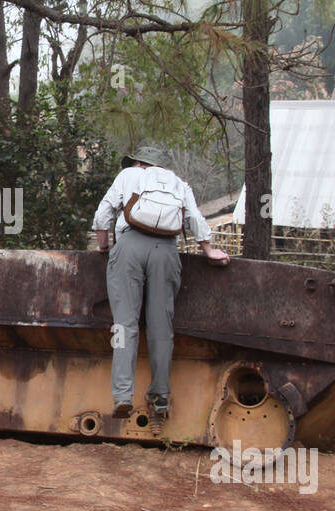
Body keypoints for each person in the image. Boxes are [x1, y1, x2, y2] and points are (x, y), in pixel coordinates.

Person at [91, 145, 230, 429]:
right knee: (161, 327)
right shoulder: (179, 184)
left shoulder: (129, 175)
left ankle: (122, 395)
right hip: (165, 253)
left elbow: (103, 213)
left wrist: (103, 245)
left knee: (124, 325)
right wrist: (209, 250)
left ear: (139, 162)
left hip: (129, 249)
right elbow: (193, 219)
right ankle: (161, 396)